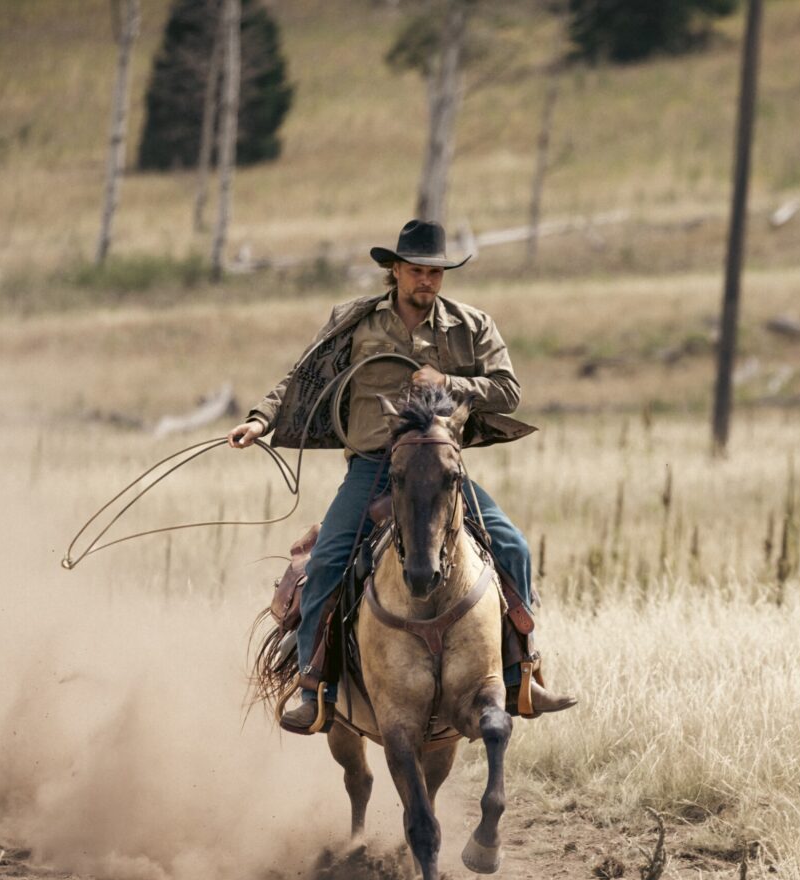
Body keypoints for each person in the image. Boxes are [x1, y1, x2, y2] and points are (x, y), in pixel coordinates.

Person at [228, 219, 573, 731]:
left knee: (514, 548)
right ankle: (313, 685)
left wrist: (449, 381)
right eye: (416, 271)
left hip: (438, 469)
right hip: (373, 466)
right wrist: (260, 420)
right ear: (395, 271)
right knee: (326, 563)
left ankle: (522, 674)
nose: (426, 281)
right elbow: (303, 378)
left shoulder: (472, 324)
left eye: (435, 272)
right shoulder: (354, 322)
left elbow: (508, 391)